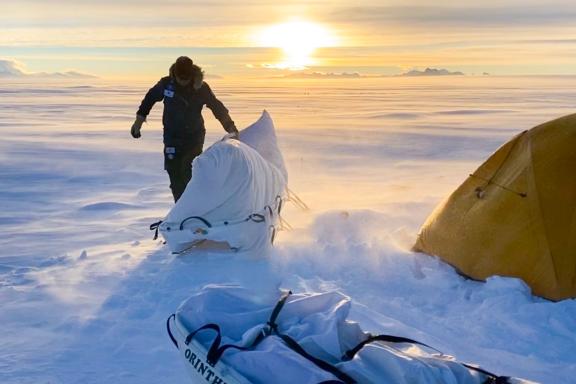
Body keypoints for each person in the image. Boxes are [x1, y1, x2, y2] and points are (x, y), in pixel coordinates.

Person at [131, 56, 238, 202]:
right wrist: (139, 121)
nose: (183, 81)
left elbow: (216, 106)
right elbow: (149, 99)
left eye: (186, 78)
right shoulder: (166, 84)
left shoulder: (201, 87)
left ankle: (195, 207)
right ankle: (181, 210)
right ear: (174, 74)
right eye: (180, 78)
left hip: (194, 136)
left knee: (189, 170)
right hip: (172, 136)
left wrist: (230, 126)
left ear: (191, 76)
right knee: (174, 173)